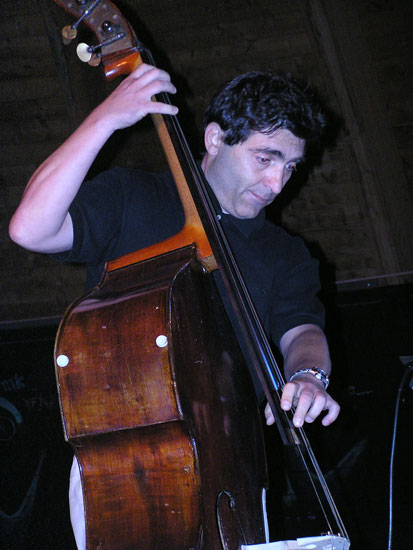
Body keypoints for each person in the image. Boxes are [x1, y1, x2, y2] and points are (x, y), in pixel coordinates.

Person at [9, 63, 340, 547]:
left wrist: (310, 376)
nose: (276, 183)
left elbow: (303, 333)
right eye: (265, 158)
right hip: (126, 464)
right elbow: (30, 229)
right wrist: (105, 119)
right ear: (215, 139)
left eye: (290, 167)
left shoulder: (285, 253)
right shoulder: (132, 196)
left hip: (236, 467)